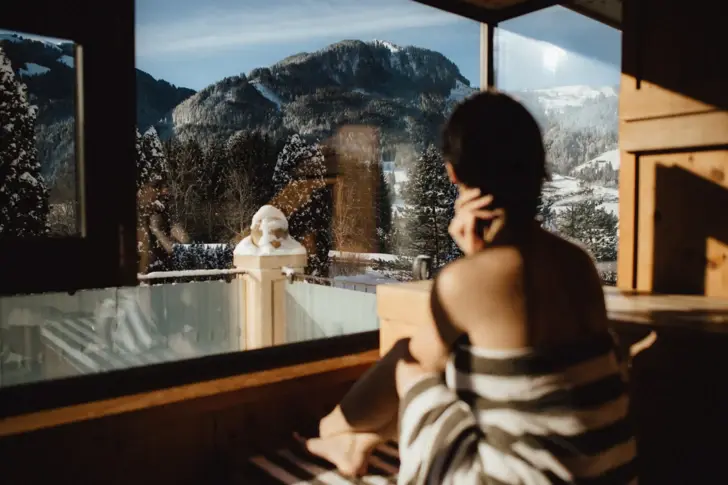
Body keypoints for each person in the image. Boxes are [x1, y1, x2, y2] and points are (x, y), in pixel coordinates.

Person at [299, 90, 640, 484]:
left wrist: (473, 262)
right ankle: (356, 441)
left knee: (408, 363)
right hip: (611, 475)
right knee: (460, 357)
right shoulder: (578, 262)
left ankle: (332, 433)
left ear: (454, 174)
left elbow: (419, 361)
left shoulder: (469, 281)